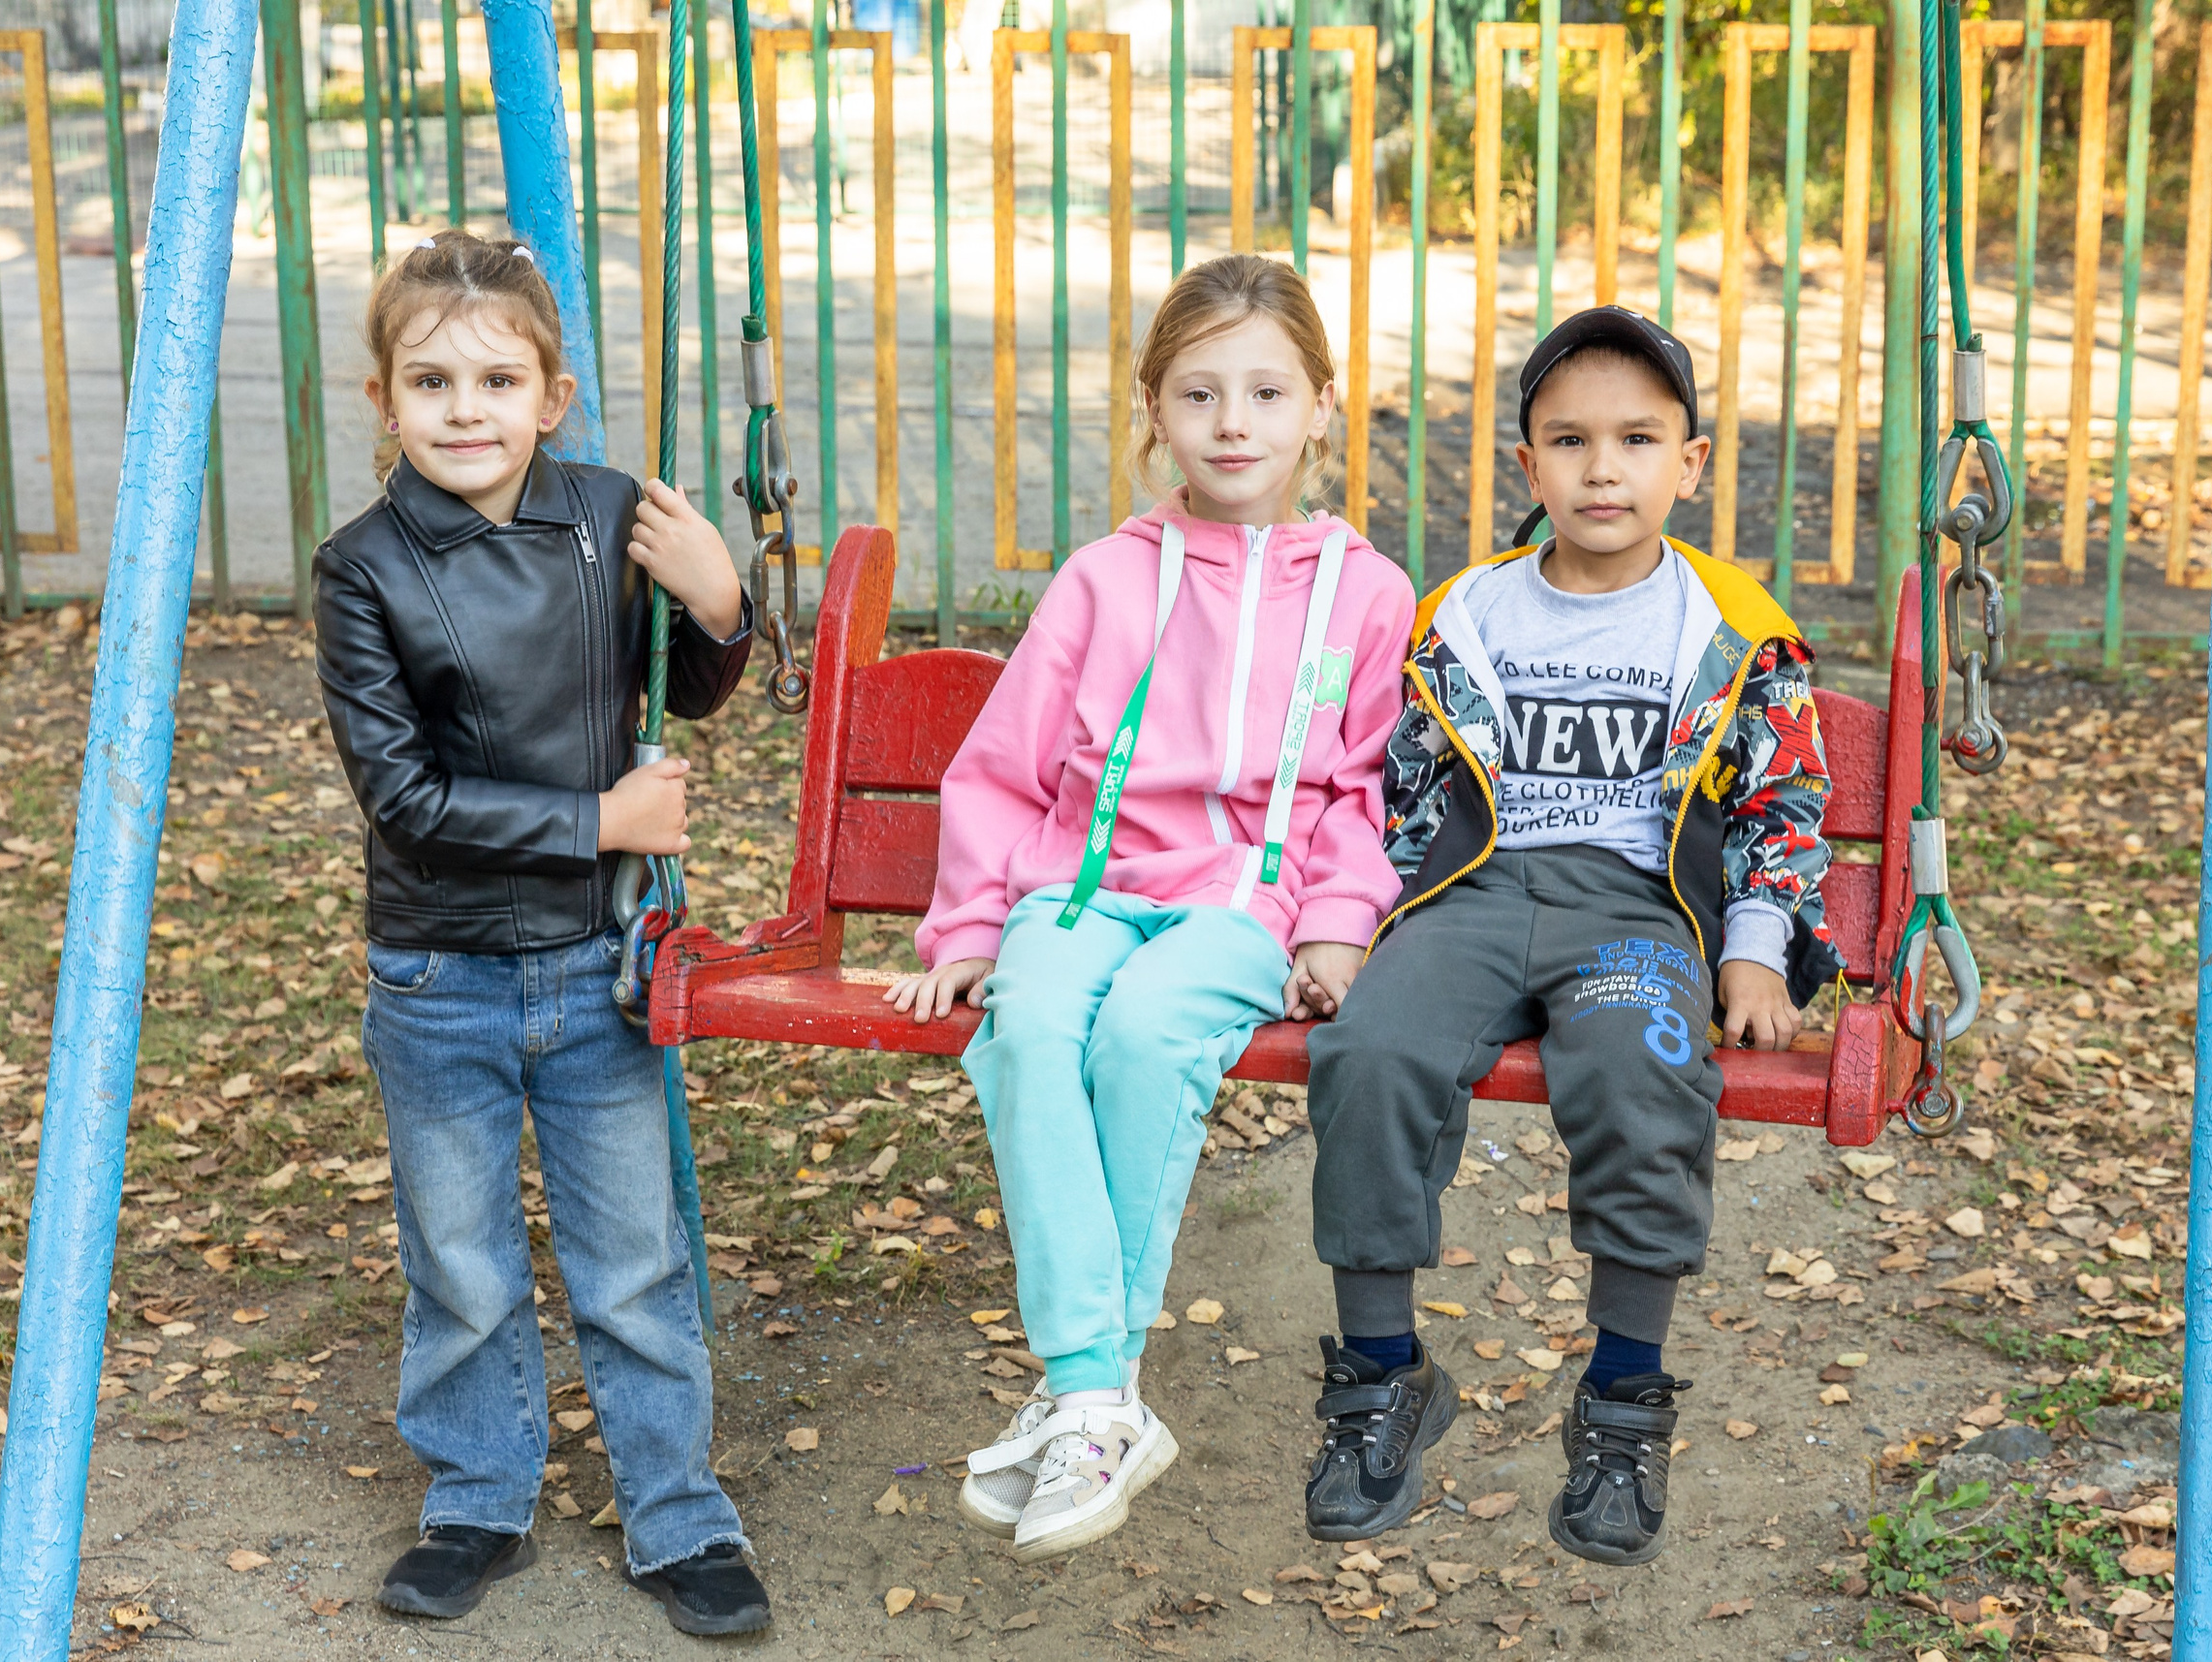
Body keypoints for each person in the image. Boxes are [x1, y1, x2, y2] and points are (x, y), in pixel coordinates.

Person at [886, 254, 1417, 1562]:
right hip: (1081, 887)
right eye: (1199, 393)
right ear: (1156, 413)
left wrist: (1337, 921)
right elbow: (1003, 769)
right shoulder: (1103, 581)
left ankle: (1085, 1393)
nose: (1233, 422)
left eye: (1264, 391)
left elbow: (1368, 791)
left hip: (1243, 903)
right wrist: (963, 933)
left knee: (1142, 1040)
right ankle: (1099, 1394)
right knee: (1028, 1029)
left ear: (1319, 410)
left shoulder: (1366, 593)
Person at [1299, 307, 1842, 1566]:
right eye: (1572, 440)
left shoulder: (1729, 630)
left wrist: (1757, 946)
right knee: (1372, 1055)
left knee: (1647, 1072)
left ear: (1690, 465)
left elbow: (1782, 801)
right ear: (1528, 467)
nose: (1605, 468)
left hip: (1633, 909)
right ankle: (1381, 1377)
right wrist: (1356, 921)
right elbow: (1404, 790)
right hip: (1479, 895)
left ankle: (1622, 1401)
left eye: (1639, 440)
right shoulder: (1468, 617)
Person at [315, 231, 770, 1635]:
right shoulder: (360, 572)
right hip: (438, 971)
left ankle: (677, 1513)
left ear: (552, 395)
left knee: (633, 1259)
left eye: (498, 378)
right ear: (383, 401)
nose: (467, 408)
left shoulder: (604, 514)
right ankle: (476, 1497)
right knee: (459, 1263)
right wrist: (601, 822)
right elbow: (403, 796)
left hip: (595, 967)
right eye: (432, 379)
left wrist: (714, 595)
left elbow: (685, 689)